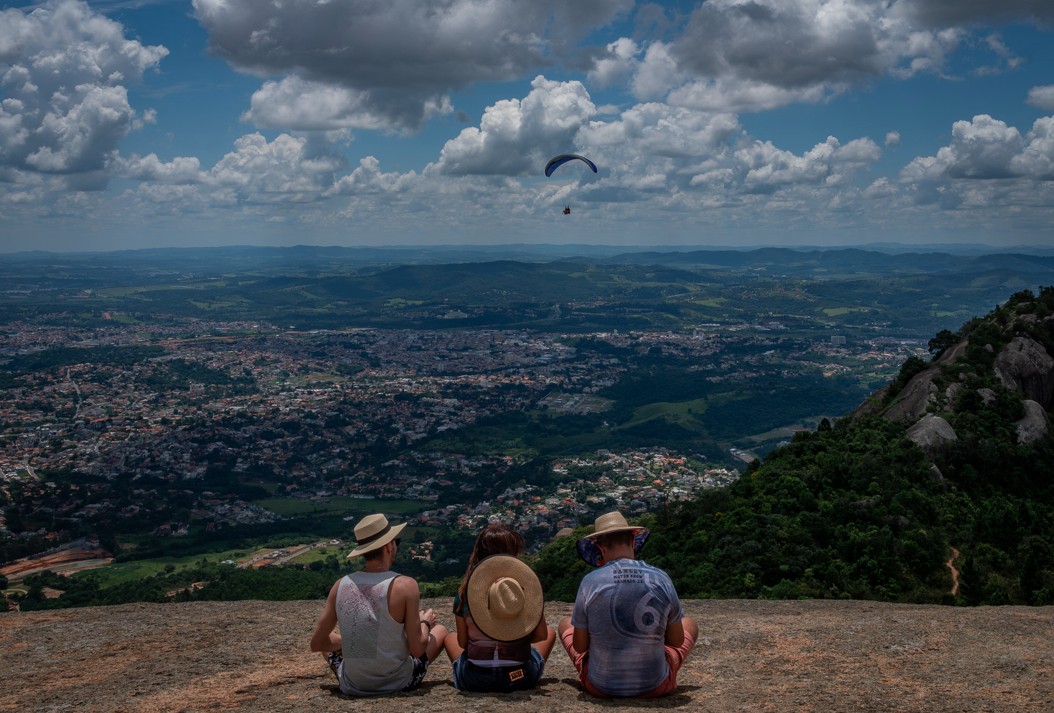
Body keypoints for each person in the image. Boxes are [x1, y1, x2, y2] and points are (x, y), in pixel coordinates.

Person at [558, 511, 698, 698]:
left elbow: (581, 647)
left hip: (601, 687)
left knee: (565, 624)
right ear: (633, 542)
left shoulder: (589, 582)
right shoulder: (661, 578)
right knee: (689, 624)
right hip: (655, 685)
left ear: (601, 548)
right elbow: (676, 641)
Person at [309, 513, 449, 696]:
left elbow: (317, 643)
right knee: (442, 631)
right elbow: (417, 648)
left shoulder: (340, 585)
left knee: (329, 644)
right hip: (398, 682)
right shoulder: (406, 585)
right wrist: (425, 623)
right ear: (388, 547)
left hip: (353, 684)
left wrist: (359, 642)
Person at [443, 524, 557, 692]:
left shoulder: (465, 594)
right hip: (519, 677)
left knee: (449, 637)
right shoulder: (524, 591)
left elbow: (463, 642)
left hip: (476, 678)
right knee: (551, 633)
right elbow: (541, 635)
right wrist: (515, 634)